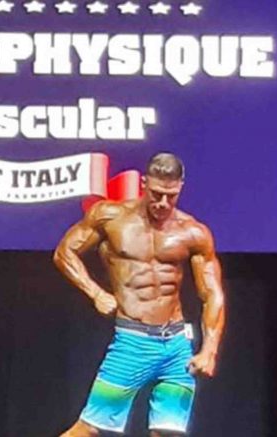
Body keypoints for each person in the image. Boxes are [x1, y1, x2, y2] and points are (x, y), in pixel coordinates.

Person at [53, 152, 225, 436]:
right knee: (89, 431)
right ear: (144, 183)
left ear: (181, 188)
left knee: (169, 433)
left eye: (171, 196)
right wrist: (95, 293)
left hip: (177, 348)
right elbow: (64, 252)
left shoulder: (193, 233)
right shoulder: (111, 217)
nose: (162, 203)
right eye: (156, 194)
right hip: (133, 342)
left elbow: (212, 294)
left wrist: (210, 350)